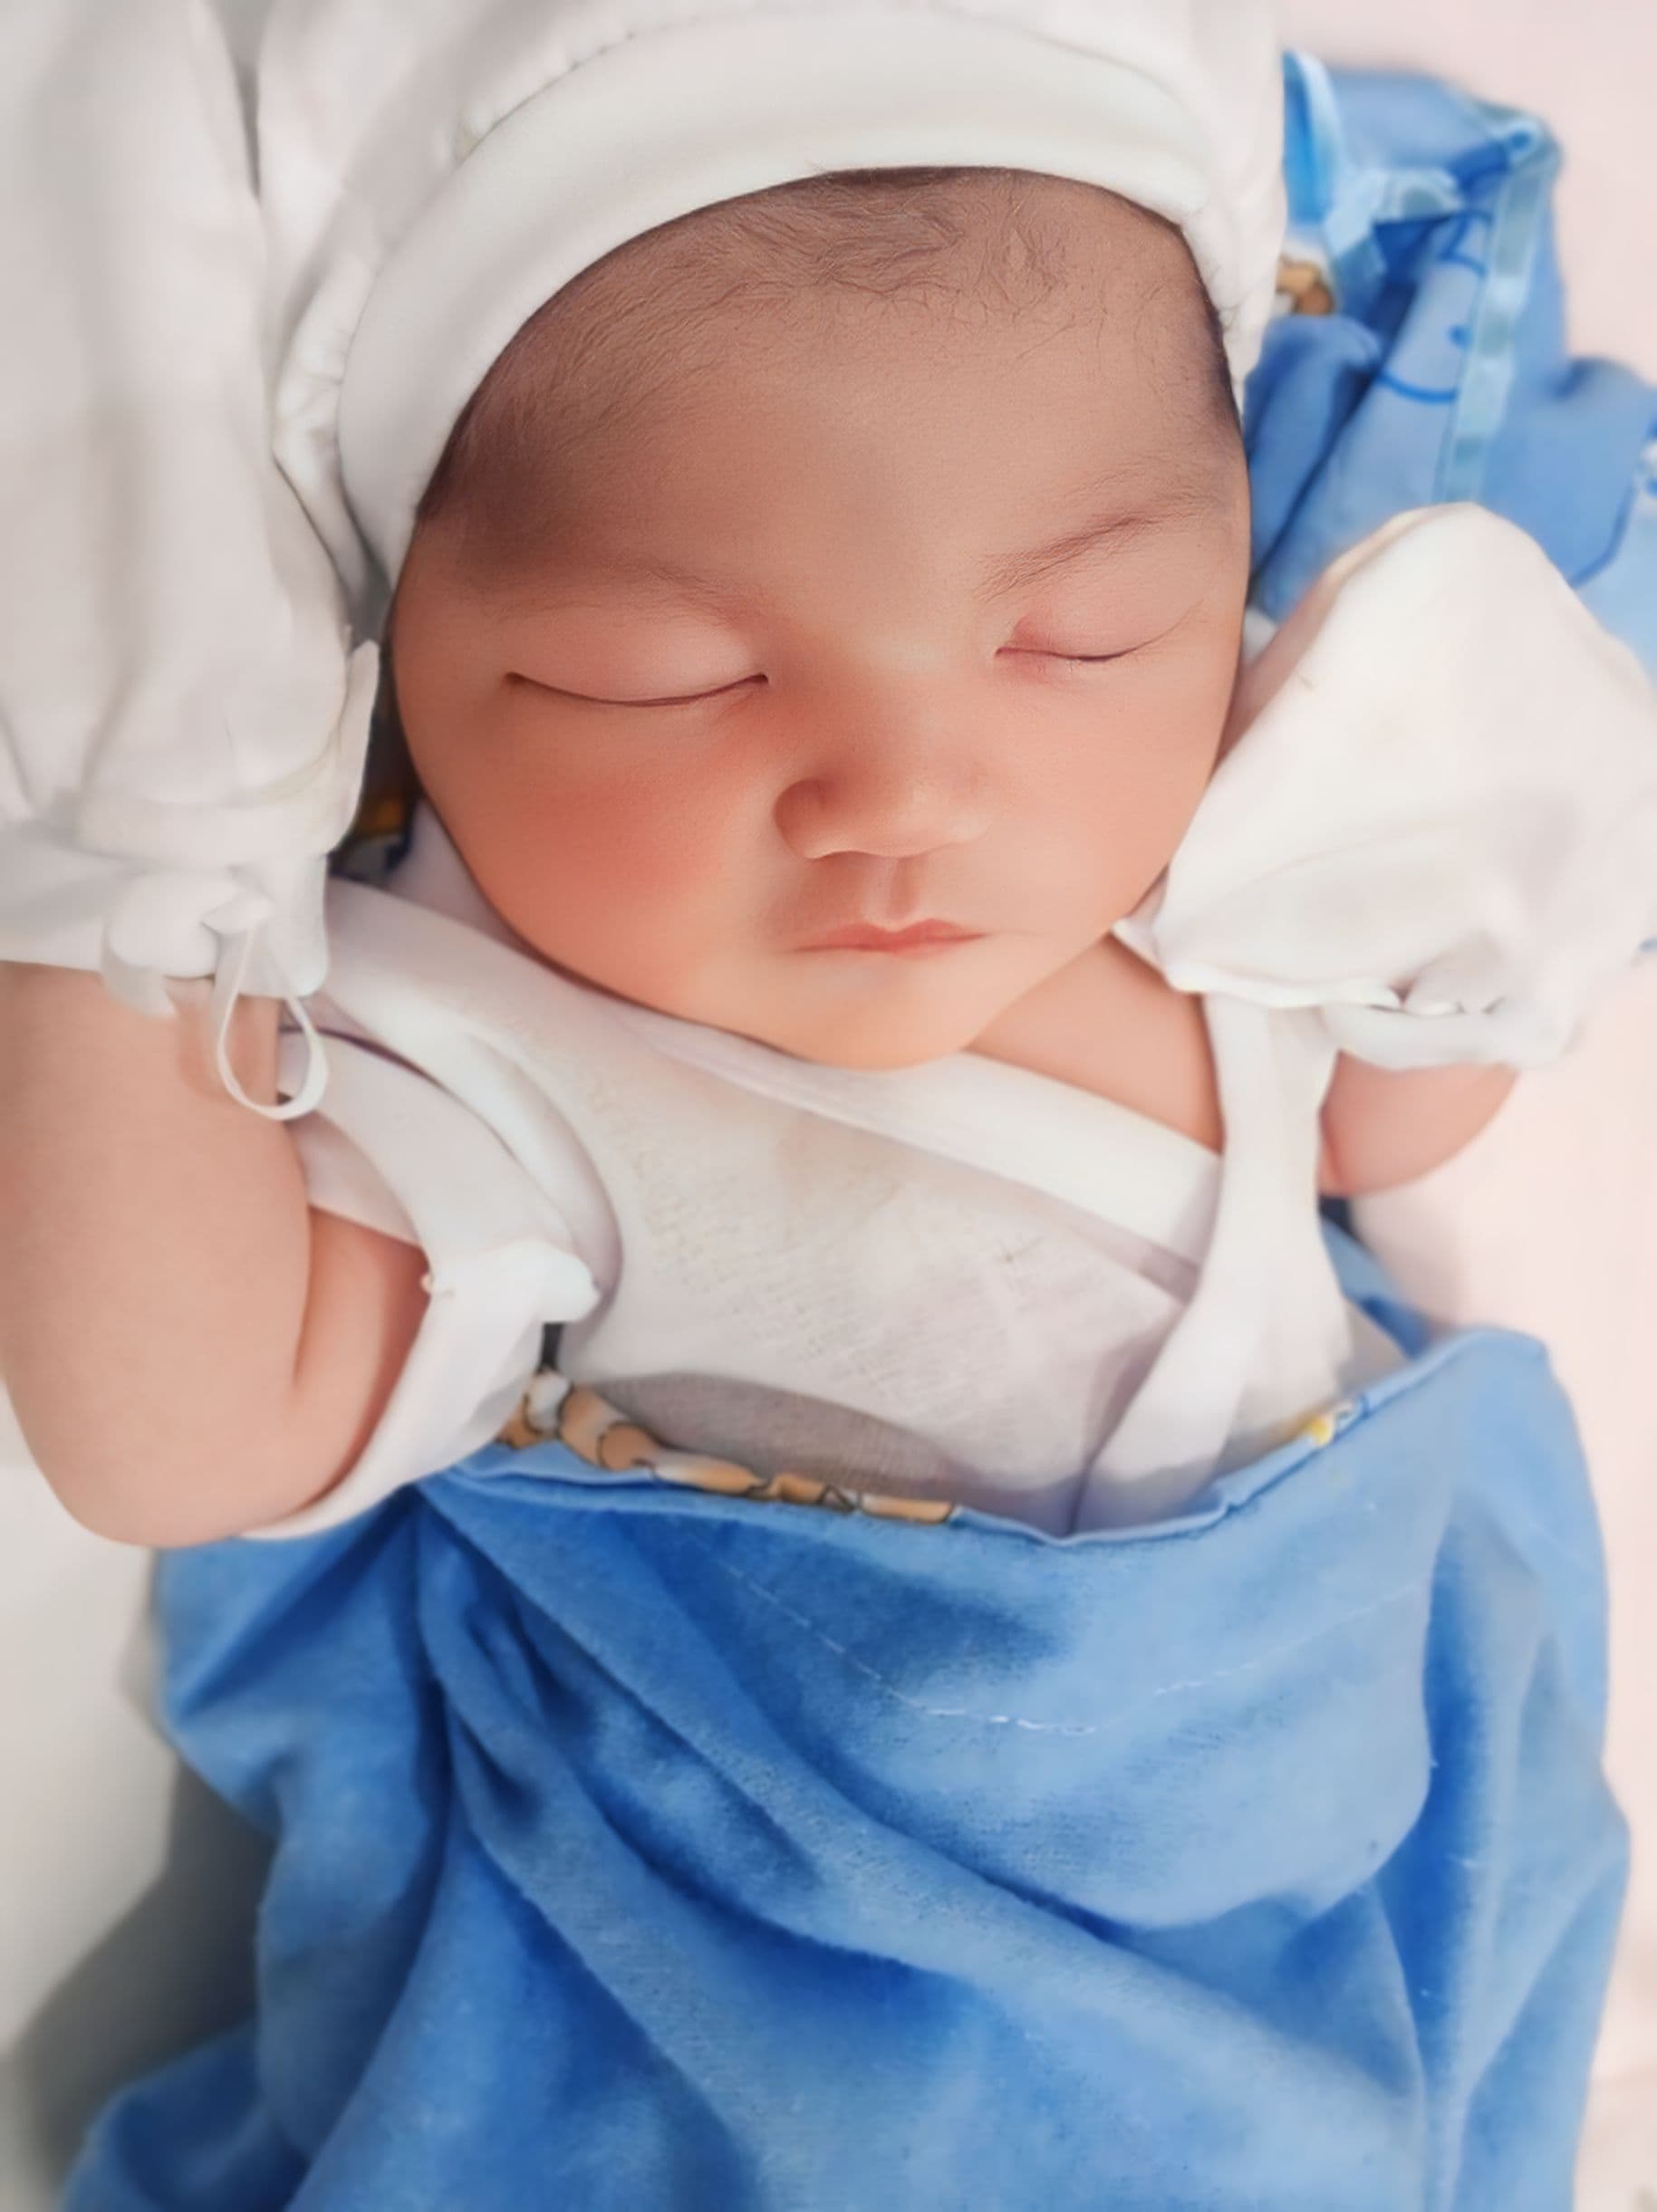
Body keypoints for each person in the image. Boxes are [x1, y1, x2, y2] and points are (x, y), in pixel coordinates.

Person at [1, 2, 1651, 2203]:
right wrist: (125, 871)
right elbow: (181, 1432)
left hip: (1306, 1885)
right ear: (396, 661)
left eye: (1081, 634)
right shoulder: (505, 1049)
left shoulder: (1250, 875)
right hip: (808, 2022)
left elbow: (1388, 1123)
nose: (901, 791)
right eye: (663, 674)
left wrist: (1499, 880)